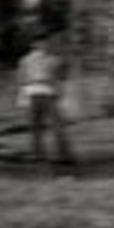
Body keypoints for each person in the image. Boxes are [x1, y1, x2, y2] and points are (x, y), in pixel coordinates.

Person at [16, 32, 75, 165]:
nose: (43, 45)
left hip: (48, 93)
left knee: (57, 125)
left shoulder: (54, 59)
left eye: (45, 42)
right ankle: (37, 154)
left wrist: (61, 93)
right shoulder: (25, 60)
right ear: (33, 44)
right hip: (31, 93)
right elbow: (21, 80)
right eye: (39, 42)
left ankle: (64, 155)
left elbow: (62, 75)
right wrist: (21, 98)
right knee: (34, 126)